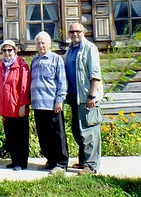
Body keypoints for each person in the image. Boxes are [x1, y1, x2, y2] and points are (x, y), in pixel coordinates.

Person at [64, 22, 104, 175]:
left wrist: (92, 96)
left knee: (90, 131)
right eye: (72, 32)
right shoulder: (70, 50)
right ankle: (83, 161)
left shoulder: (89, 48)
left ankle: (91, 166)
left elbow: (95, 74)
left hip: (87, 98)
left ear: (84, 32)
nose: (75, 34)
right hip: (75, 97)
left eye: (78, 31)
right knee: (78, 131)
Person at [30, 31, 69, 174]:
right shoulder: (34, 61)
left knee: (57, 134)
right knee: (44, 135)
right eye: (38, 43)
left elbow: (62, 81)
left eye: (43, 43)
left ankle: (61, 163)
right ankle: (51, 160)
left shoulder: (56, 59)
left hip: (52, 104)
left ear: (49, 44)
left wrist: (59, 100)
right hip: (38, 104)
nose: (40, 45)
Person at [0, 39, 31, 171]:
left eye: (9, 50)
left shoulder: (22, 66)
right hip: (6, 107)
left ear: (15, 51)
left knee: (20, 136)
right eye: (4, 50)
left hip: (18, 107)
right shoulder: (0, 67)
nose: (7, 53)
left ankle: (22, 162)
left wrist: (23, 104)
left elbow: (24, 87)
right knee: (10, 136)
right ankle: (14, 160)